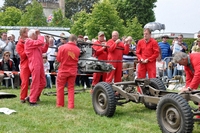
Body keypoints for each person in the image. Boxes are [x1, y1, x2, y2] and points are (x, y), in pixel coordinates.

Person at [24, 29, 49, 106]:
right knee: (36, 82)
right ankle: (32, 100)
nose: (37, 36)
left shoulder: (35, 44)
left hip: (39, 64)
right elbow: (40, 42)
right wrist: (40, 35)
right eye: (35, 34)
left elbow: (43, 50)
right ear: (32, 35)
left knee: (43, 82)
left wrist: (47, 42)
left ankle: (31, 97)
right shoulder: (28, 41)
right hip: (35, 64)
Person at [173, 52, 200, 118]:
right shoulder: (186, 65)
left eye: (179, 62)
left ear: (184, 59)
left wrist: (190, 88)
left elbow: (198, 74)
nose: (179, 64)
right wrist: (186, 89)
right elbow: (189, 78)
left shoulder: (196, 58)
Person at [56, 34, 80, 109]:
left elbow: (58, 59)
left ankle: (60, 104)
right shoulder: (77, 49)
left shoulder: (62, 47)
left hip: (63, 70)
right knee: (71, 88)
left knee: (60, 87)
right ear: (74, 40)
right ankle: (71, 105)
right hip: (73, 70)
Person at [16, 27, 31, 103]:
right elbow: (22, 55)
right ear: (23, 34)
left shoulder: (30, 40)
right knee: (25, 82)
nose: (28, 33)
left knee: (38, 81)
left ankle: (34, 96)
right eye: (27, 32)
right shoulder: (19, 44)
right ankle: (22, 98)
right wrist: (27, 47)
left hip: (33, 63)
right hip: (25, 65)